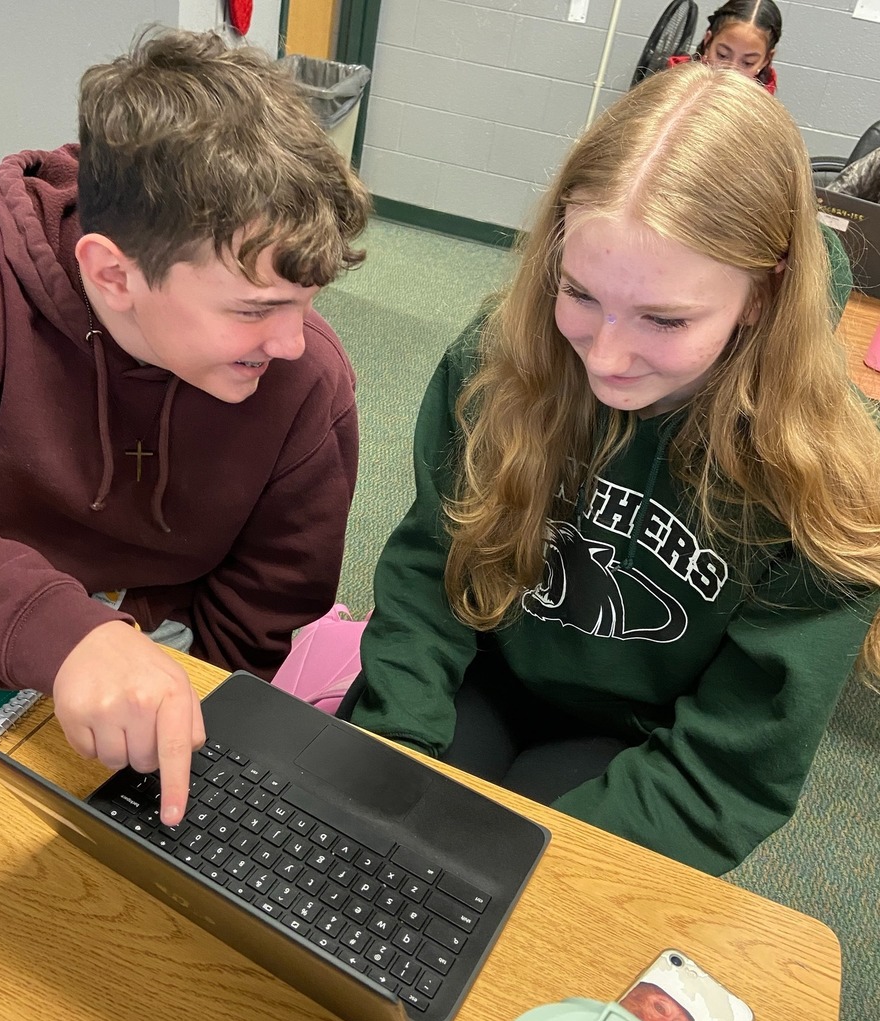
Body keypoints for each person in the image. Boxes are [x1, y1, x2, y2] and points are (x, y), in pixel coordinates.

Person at [341, 62, 880, 875]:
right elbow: (429, 569)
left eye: (665, 319)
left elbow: (734, 760)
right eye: (581, 294)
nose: (607, 358)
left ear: (764, 296)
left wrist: (547, 873)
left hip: (644, 741)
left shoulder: (832, 480)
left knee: (511, 899)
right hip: (481, 669)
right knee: (375, 853)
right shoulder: (498, 361)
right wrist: (397, 742)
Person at [0, 28, 372, 826]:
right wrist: (66, 633)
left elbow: (262, 623)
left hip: (153, 675)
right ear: (111, 272)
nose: (292, 342)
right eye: (255, 309)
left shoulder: (307, 384)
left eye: (306, 301)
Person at [667, 0, 782, 94]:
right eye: (722, 55)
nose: (730, 72)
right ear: (708, 42)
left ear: (765, 61)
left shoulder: (762, 109)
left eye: (748, 63)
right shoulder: (672, 83)